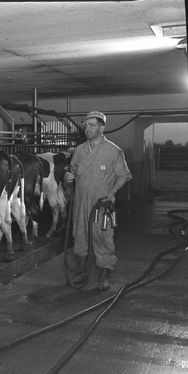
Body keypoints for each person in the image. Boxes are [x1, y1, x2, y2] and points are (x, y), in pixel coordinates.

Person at [64, 111, 132, 291]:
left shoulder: (114, 151)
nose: (87, 128)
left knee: (102, 237)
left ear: (102, 127)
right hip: (80, 202)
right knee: (79, 235)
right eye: (86, 125)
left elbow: (123, 176)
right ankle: (82, 270)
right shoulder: (79, 150)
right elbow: (70, 172)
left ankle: (104, 274)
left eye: (92, 125)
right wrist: (67, 177)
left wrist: (112, 193)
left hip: (102, 203)